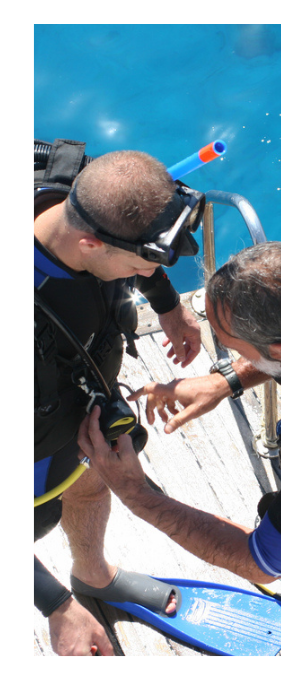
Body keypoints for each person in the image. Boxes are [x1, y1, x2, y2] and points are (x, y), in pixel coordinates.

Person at [80, 242, 281, 654]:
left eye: (237, 350)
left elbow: (257, 561)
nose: (234, 358)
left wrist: (135, 493)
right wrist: (225, 381)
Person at [34, 140, 203, 656]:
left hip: (77, 411)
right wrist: (54, 606)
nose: (149, 276)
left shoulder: (76, 194)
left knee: (88, 485)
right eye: (142, 268)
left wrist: (168, 303)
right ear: (88, 245)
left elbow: (136, 235)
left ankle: (94, 574)